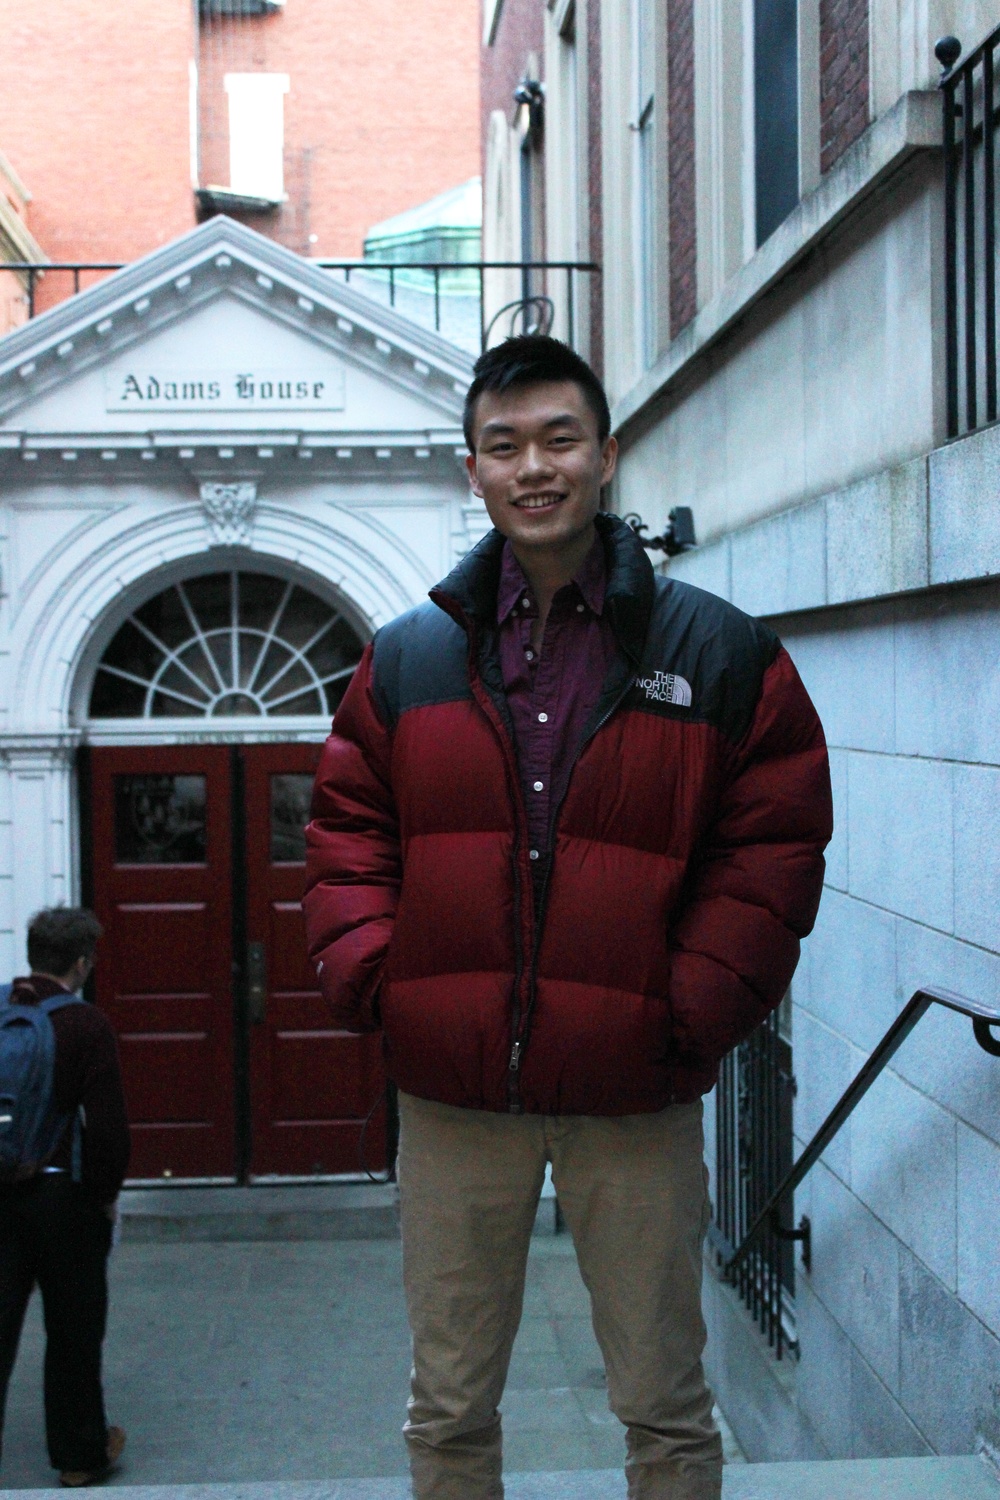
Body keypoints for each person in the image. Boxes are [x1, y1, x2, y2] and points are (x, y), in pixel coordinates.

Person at [304, 335, 832, 1500]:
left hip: (632, 1091)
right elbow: (348, 829)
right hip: (453, 1097)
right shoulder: (404, 659)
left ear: (605, 454)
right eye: (503, 446)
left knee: (665, 1407)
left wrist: (685, 1009)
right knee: (445, 1410)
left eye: (556, 439)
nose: (531, 467)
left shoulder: (720, 653)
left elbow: (773, 847)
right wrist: (382, 983)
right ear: (473, 471)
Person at [0, 907, 130, 1488]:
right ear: (81, 962)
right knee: (73, 1330)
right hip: (62, 1197)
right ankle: (80, 1455)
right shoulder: (84, 1025)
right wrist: (103, 1196)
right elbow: (106, 1128)